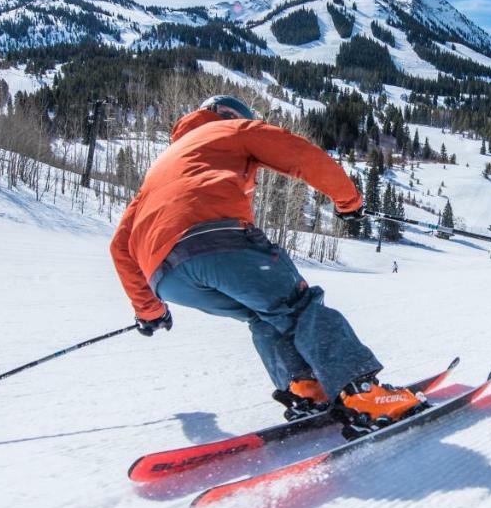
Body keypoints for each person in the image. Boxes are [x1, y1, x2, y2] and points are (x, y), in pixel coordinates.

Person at [110, 95, 426, 433]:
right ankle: (363, 393)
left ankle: (305, 389)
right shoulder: (231, 129)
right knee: (298, 307)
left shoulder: (161, 167)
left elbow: (120, 247)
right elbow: (300, 154)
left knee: (264, 312)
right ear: (229, 114)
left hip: (166, 277)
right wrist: (348, 201)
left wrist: (150, 311)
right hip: (217, 242)